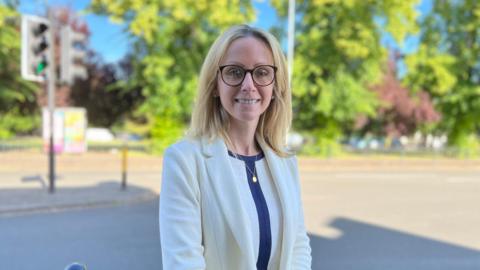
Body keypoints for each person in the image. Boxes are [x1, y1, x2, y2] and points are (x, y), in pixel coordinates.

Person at [159, 24, 312, 270]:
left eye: (262, 72)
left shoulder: (286, 162)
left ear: (275, 86)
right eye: (234, 72)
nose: (248, 85)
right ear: (215, 86)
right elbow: (183, 263)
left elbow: (298, 246)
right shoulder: (185, 160)